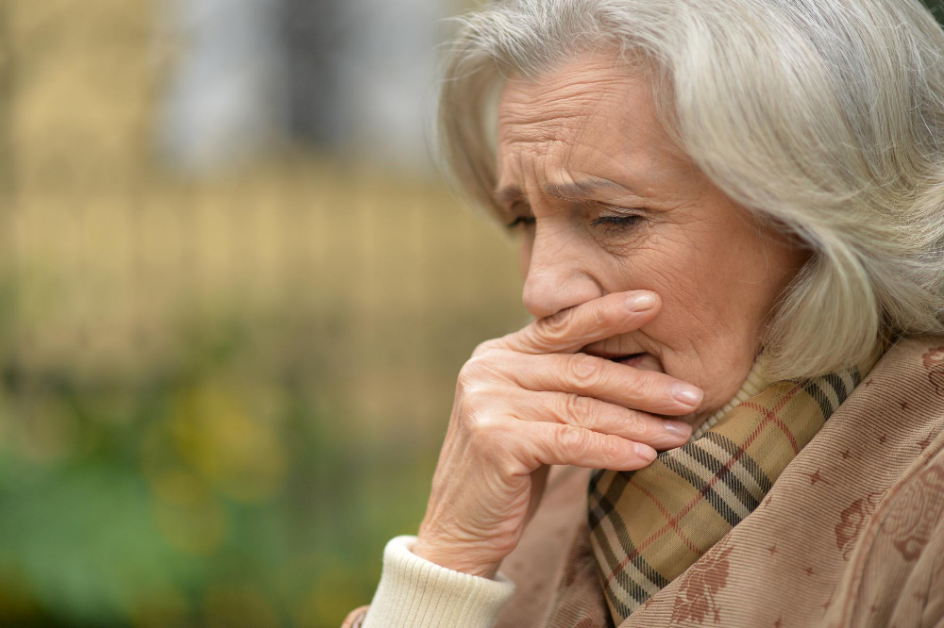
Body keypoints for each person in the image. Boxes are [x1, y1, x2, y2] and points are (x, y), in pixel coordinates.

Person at [343, 0, 944, 626]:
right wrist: (447, 566)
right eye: (521, 218)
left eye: (614, 219)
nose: (541, 292)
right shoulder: (545, 486)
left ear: (813, 220)